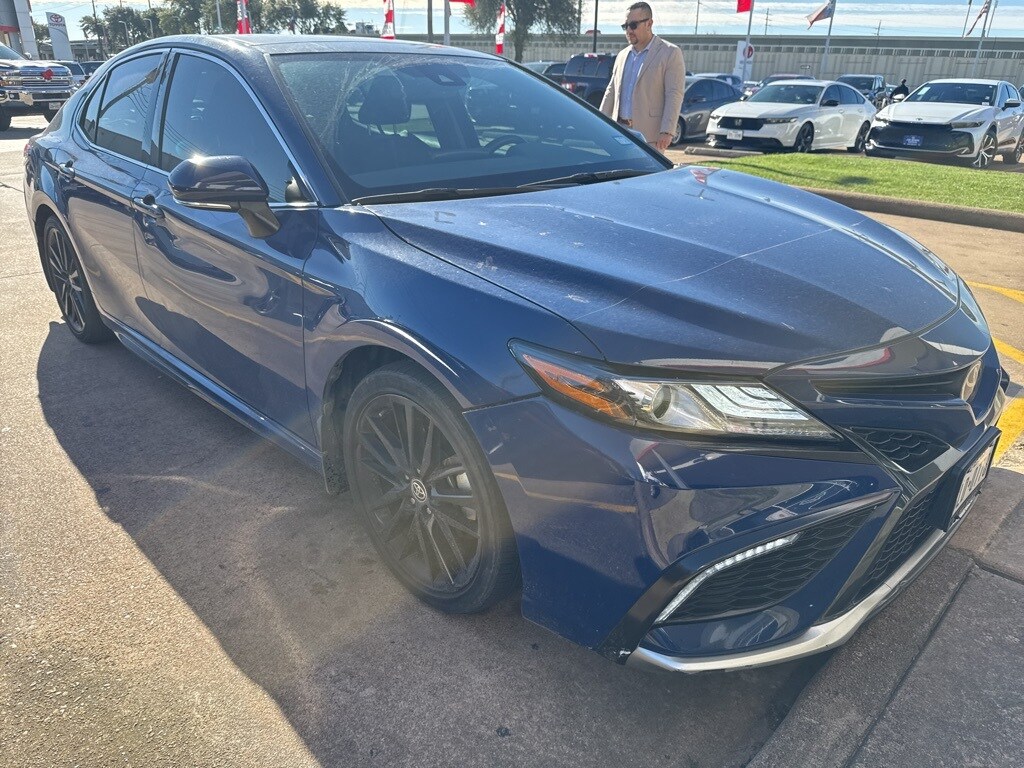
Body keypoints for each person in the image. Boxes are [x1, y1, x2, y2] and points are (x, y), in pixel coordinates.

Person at [600, 2, 686, 152]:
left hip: (650, 137)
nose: (628, 30)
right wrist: (597, 124)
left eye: (633, 25)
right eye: (625, 26)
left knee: (648, 176)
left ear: (649, 23)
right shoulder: (622, 56)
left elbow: (674, 94)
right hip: (618, 133)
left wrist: (667, 131)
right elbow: (611, 92)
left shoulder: (670, 52)